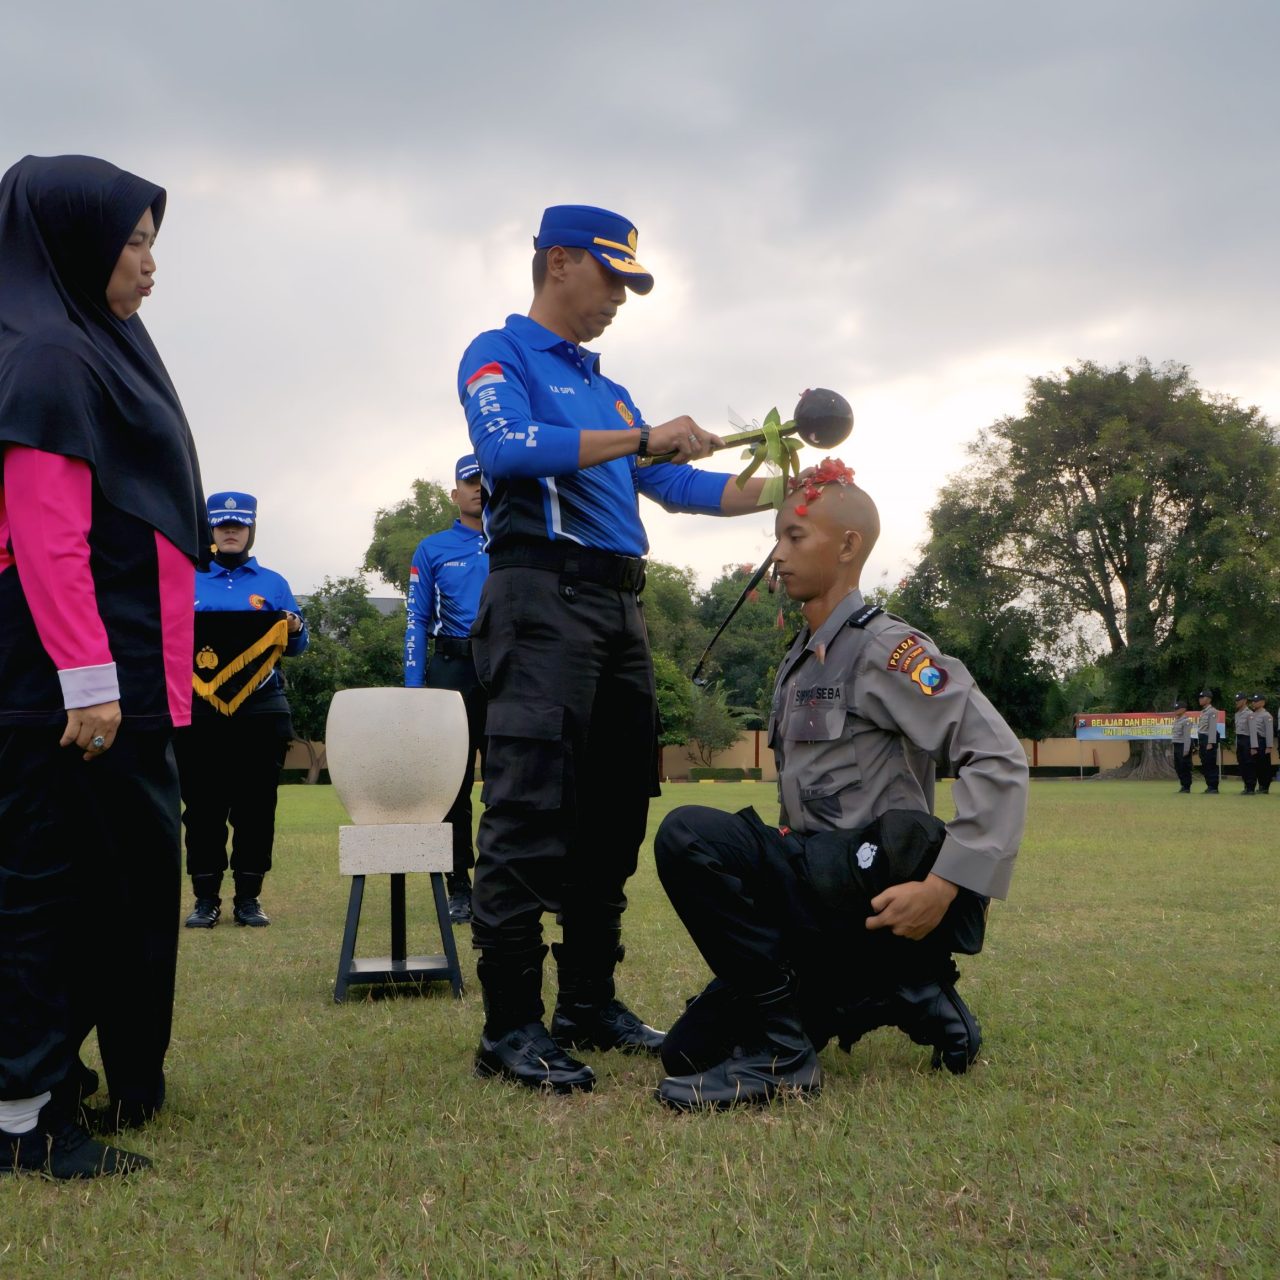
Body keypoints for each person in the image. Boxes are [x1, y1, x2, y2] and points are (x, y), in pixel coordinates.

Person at [458, 204, 772, 1093]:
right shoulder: (499, 352)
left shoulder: (612, 387)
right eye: (612, 277)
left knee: (613, 816)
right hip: (539, 598)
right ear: (559, 263)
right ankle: (509, 1026)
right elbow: (506, 449)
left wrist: (797, 491)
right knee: (527, 811)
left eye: (632, 284)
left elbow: (678, 484)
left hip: (619, 609)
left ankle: (587, 1002)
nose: (621, 298)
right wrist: (643, 436)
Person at [652, 464, 1029, 1110]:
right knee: (685, 1049)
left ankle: (783, 1053)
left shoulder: (888, 649)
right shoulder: (801, 659)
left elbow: (996, 755)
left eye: (796, 537)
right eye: (777, 538)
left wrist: (946, 886)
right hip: (816, 892)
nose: (780, 553)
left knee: (688, 833)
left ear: (848, 546)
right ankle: (899, 987)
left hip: (866, 881)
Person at [0, 155, 206, 1176]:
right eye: (131, 240)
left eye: (151, 241)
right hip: (61, 679)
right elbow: (44, 530)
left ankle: (62, 1076)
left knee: (103, 882)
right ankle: (23, 1118)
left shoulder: (97, 344)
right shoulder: (43, 351)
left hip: (110, 674)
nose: (148, 263)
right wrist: (88, 675)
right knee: (43, 884)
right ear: (74, 243)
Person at [174, 492, 308, 928]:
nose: (230, 531)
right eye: (222, 525)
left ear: (251, 529)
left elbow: (300, 646)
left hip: (261, 710)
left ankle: (249, 897)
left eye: (239, 524)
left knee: (256, 806)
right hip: (198, 711)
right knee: (201, 807)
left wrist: (295, 625)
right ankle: (205, 898)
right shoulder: (184, 581)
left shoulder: (273, 583)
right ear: (210, 529)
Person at [404, 455, 489, 923]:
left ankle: (505, 881)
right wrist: (414, 687)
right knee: (452, 786)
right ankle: (460, 885)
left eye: (486, 480)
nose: (479, 488)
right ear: (455, 493)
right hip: (452, 670)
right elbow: (415, 618)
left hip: (510, 669)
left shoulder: (519, 540)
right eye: (470, 482)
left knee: (511, 780)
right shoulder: (432, 548)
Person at [1249, 693, 1274, 795]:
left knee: (1264, 765)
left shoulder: (1266, 715)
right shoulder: (1252, 715)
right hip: (1254, 742)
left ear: (1263, 702)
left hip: (1263, 741)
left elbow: (1269, 731)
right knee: (1256, 765)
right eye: (1253, 701)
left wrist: (1269, 746)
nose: (1253, 703)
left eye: (1256, 701)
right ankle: (1260, 785)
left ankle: (1265, 787)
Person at [1196, 690, 1220, 794]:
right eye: (1200, 697)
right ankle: (1209, 785)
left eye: (1203, 697)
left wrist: (1210, 743)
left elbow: (1212, 727)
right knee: (1205, 763)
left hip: (1208, 739)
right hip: (1202, 739)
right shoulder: (1203, 712)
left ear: (1209, 699)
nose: (1200, 699)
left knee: (1210, 763)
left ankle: (1213, 787)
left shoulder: (1212, 711)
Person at [1233, 693, 1256, 795]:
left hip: (1248, 740)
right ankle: (1246, 786)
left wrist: (1254, 746)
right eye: (1236, 700)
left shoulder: (1250, 714)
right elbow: (1237, 731)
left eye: (1238, 700)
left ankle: (1251, 787)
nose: (1236, 702)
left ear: (1244, 701)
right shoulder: (1237, 714)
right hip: (1240, 740)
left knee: (1249, 764)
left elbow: (1253, 731)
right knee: (1241, 764)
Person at [1170, 700, 1195, 794]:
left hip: (1183, 745)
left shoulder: (1186, 721)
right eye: (1175, 709)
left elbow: (1187, 737)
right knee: (1178, 766)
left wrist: (1186, 750)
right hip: (1176, 745)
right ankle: (1182, 785)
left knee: (1184, 766)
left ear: (1184, 709)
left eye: (1178, 708)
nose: (1176, 710)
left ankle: (1187, 786)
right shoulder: (1176, 721)